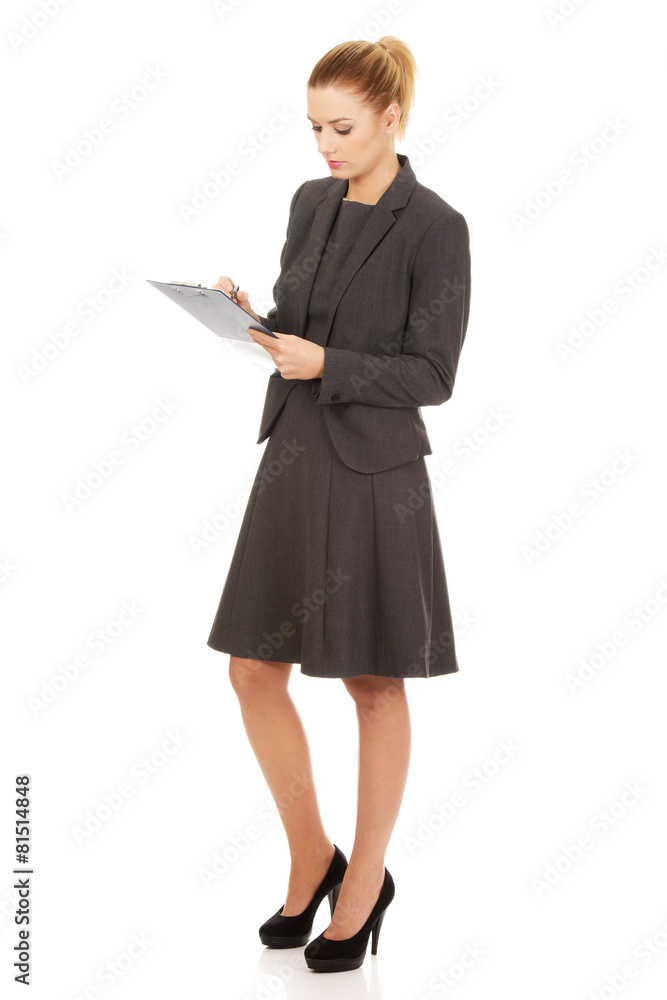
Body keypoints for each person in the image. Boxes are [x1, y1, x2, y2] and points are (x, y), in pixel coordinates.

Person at [206, 35, 471, 973]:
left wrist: (329, 364)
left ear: (391, 117)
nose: (324, 145)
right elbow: (303, 327)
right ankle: (310, 855)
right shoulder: (309, 201)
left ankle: (363, 885)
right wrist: (254, 322)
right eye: (314, 127)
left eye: (342, 128)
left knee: (371, 682)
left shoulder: (435, 226)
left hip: (373, 476)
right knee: (252, 670)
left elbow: (432, 374)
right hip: (294, 455)